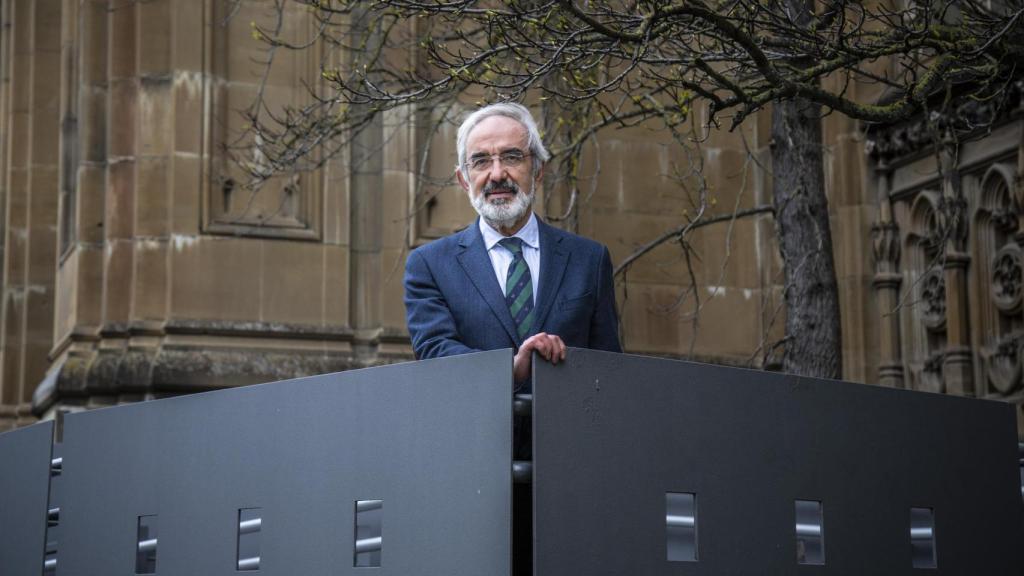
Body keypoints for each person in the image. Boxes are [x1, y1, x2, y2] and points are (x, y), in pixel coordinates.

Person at [403, 102, 622, 388]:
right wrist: (510, 370)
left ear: (538, 170)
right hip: (477, 429)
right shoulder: (430, 265)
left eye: (511, 157)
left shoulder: (589, 260)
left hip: (564, 429)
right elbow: (435, 353)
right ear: (464, 180)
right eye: (481, 161)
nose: (496, 175)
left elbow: (608, 368)